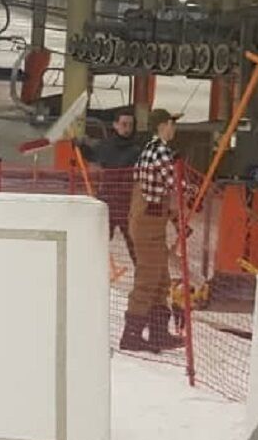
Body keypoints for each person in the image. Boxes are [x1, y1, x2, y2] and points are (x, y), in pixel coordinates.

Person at [122, 108, 189, 353]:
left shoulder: (152, 149)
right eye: (172, 123)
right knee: (149, 278)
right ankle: (131, 335)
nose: (174, 129)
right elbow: (174, 182)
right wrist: (192, 191)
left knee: (161, 279)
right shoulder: (159, 150)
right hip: (148, 222)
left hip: (152, 221)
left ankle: (159, 334)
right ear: (162, 125)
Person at [79, 107, 143, 263]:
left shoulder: (137, 149)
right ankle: (91, 270)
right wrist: (80, 146)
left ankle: (141, 279)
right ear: (115, 125)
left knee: (134, 244)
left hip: (127, 203)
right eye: (124, 124)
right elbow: (92, 154)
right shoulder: (106, 146)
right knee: (99, 240)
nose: (127, 128)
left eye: (130, 124)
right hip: (107, 200)